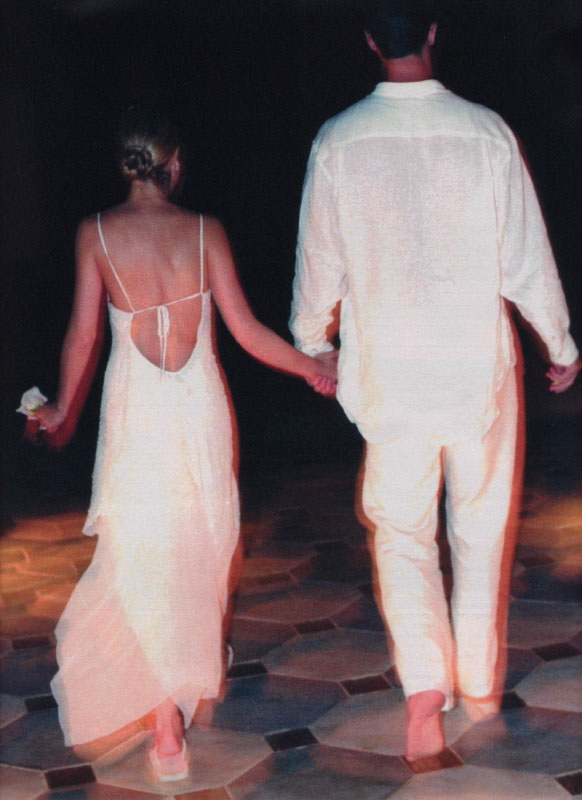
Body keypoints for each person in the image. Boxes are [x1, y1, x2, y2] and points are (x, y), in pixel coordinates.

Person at [289, 0, 579, 762]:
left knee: (402, 531)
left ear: (368, 40)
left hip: (389, 376)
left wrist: (314, 345)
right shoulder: (486, 132)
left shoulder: (338, 140)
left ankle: (424, 686)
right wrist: (560, 342)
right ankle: (479, 687)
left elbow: (319, 265)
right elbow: (526, 257)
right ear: (434, 32)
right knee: (481, 528)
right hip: (477, 371)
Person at [35, 108, 336, 781]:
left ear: (125, 164)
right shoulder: (205, 230)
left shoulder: (95, 232)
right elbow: (248, 331)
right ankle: (169, 712)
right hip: (199, 407)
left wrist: (61, 407)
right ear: (174, 164)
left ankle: (165, 729)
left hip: (135, 412)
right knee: (197, 546)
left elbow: (83, 336)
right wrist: (315, 367)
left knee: (143, 553)